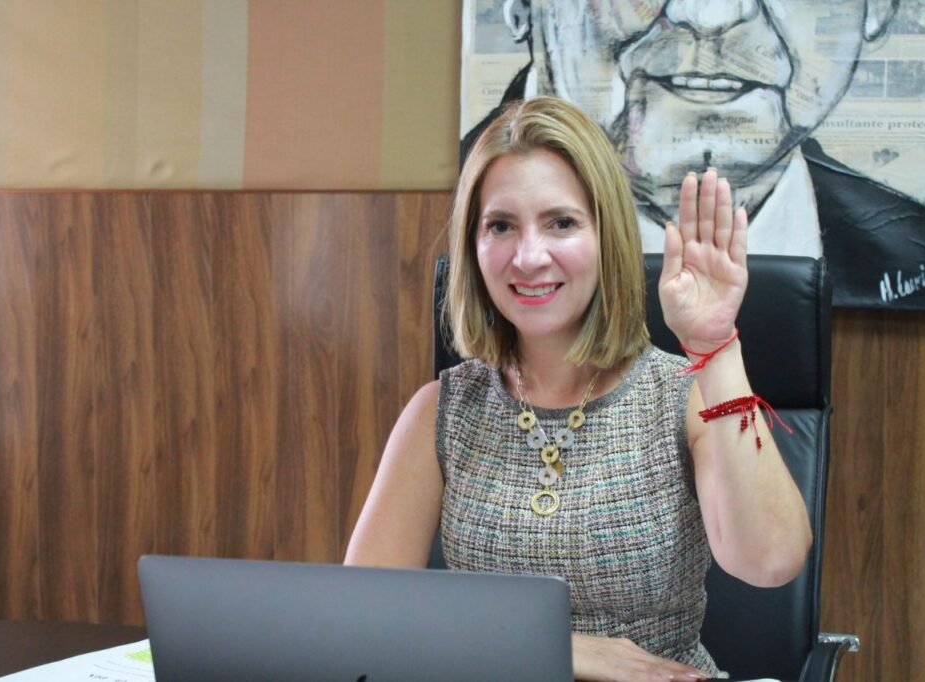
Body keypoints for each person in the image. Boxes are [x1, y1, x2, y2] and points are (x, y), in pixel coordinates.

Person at [346, 96, 812, 681]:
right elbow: (363, 617)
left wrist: (714, 349)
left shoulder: (678, 395)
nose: (528, 256)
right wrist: (564, 649)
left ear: (605, 236)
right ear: (473, 244)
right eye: (500, 226)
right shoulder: (443, 411)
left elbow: (770, 561)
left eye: (561, 223)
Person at [462, 0, 925, 311]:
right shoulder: (441, 272)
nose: (712, 15)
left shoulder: (921, 255)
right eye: (501, 227)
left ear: (879, 7)